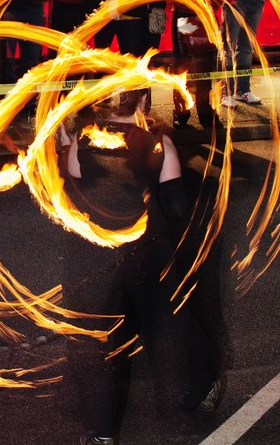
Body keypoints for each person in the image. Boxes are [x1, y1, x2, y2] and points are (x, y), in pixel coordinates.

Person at [60, 89, 216, 445]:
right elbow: (176, 207)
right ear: (143, 103)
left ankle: (102, 433)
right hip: (150, 256)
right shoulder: (158, 144)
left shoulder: (82, 143)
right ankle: (201, 386)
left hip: (105, 260)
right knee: (175, 321)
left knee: (106, 344)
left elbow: (70, 196)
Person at [169, 0, 218, 129]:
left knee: (206, 64)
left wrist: (211, 7)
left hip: (206, 16)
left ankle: (205, 111)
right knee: (183, 64)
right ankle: (181, 111)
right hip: (184, 15)